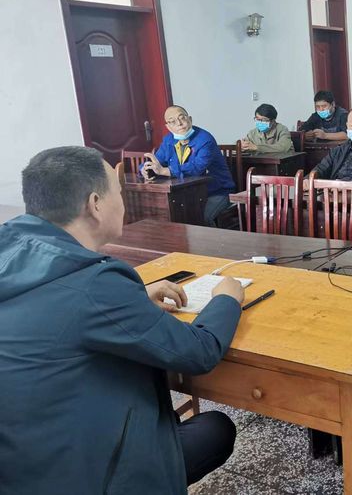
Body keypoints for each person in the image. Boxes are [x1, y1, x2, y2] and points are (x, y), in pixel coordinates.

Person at [0, 146, 246, 494]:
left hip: (22, 462)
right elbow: (198, 353)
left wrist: (133, 297)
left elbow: (58, 311)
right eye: (118, 191)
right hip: (82, 474)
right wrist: (226, 298)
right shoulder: (95, 285)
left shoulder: (13, 254)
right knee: (216, 429)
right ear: (95, 204)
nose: (123, 199)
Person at [140, 105, 235, 226]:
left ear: (190, 119)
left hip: (216, 191)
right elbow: (157, 161)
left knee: (202, 218)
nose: (179, 124)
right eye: (172, 121)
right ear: (168, 127)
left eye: (182, 118)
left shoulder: (205, 139)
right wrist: (145, 169)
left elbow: (197, 167)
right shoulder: (168, 140)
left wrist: (165, 171)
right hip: (187, 192)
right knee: (171, 215)